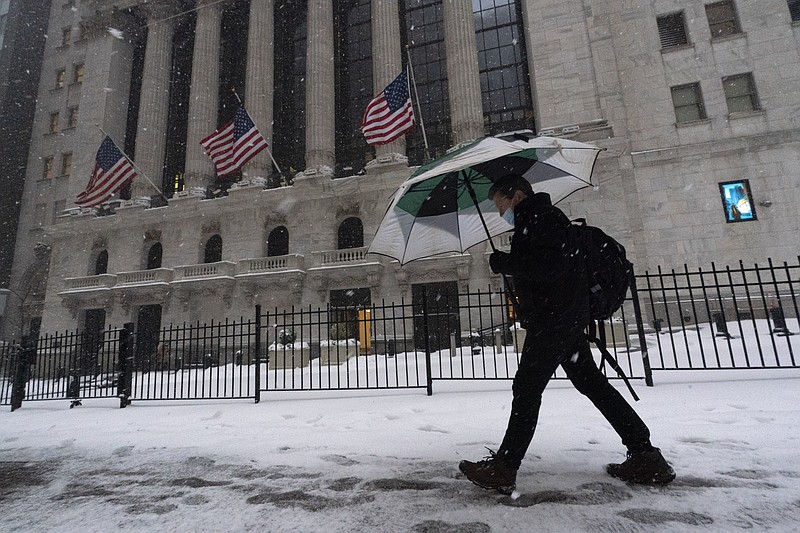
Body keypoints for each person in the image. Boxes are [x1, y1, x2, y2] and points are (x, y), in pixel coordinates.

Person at [458, 174, 675, 495]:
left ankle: (505, 467)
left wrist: (507, 262)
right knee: (592, 384)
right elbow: (549, 268)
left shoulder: (542, 219)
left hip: (554, 321)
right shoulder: (539, 219)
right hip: (562, 320)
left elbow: (550, 267)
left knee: (527, 387)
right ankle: (645, 454)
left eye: (499, 204)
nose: (499, 211)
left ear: (516, 196)